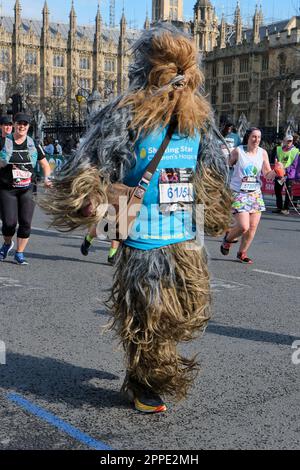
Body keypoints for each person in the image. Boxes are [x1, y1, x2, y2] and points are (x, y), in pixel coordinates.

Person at [42, 25, 232, 413]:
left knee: (186, 311)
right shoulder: (125, 114)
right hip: (142, 233)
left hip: (185, 234)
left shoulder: (198, 116)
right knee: (148, 315)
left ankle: (152, 364)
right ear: (150, 69)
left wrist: (215, 208)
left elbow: (210, 168)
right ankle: (145, 381)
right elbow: (90, 164)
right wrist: (88, 196)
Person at [220, 127, 284, 264]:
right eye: (254, 137)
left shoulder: (262, 153)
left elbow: (267, 174)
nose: (257, 140)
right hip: (238, 192)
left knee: (253, 226)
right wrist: (226, 158)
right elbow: (225, 166)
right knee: (244, 226)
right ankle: (227, 240)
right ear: (248, 137)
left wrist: (277, 171)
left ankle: (242, 253)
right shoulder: (238, 151)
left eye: (259, 137)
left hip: (255, 193)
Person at [0, 112, 52, 265]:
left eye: (25, 124)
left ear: (28, 127)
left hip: (27, 188)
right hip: (7, 188)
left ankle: (20, 253)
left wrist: (47, 178)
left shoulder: (34, 144)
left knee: (25, 222)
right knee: (9, 223)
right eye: (19, 123)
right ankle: (8, 243)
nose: (22, 126)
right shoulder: (3, 142)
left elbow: (45, 165)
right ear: (14, 124)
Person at [272, 135, 300, 215]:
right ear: (284, 141)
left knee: (288, 193)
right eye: (287, 141)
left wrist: (285, 172)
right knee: (277, 190)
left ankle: (286, 208)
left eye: (290, 141)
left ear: (292, 142)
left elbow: (295, 165)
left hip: (289, 175)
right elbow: (276, 161)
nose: (288, 143)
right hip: (279, 174)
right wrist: (279, 170)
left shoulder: (295, 151)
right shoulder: (279, 150)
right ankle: (279, 207)